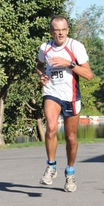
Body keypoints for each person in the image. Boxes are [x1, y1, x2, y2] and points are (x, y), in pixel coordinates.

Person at [36, 15, 93, 192]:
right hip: (52, 92)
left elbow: (88, 75)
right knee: (51, 127)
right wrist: (41, 75)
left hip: (71, 95)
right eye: (56, 30)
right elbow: (39, 65)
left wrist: (69, 63)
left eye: (63, 30)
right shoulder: (45, 48)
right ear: (51, 31)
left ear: (67, 30)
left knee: (70, 138)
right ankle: (51, 166)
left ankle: (70, 172)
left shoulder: (75, 47)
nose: (60, 33)